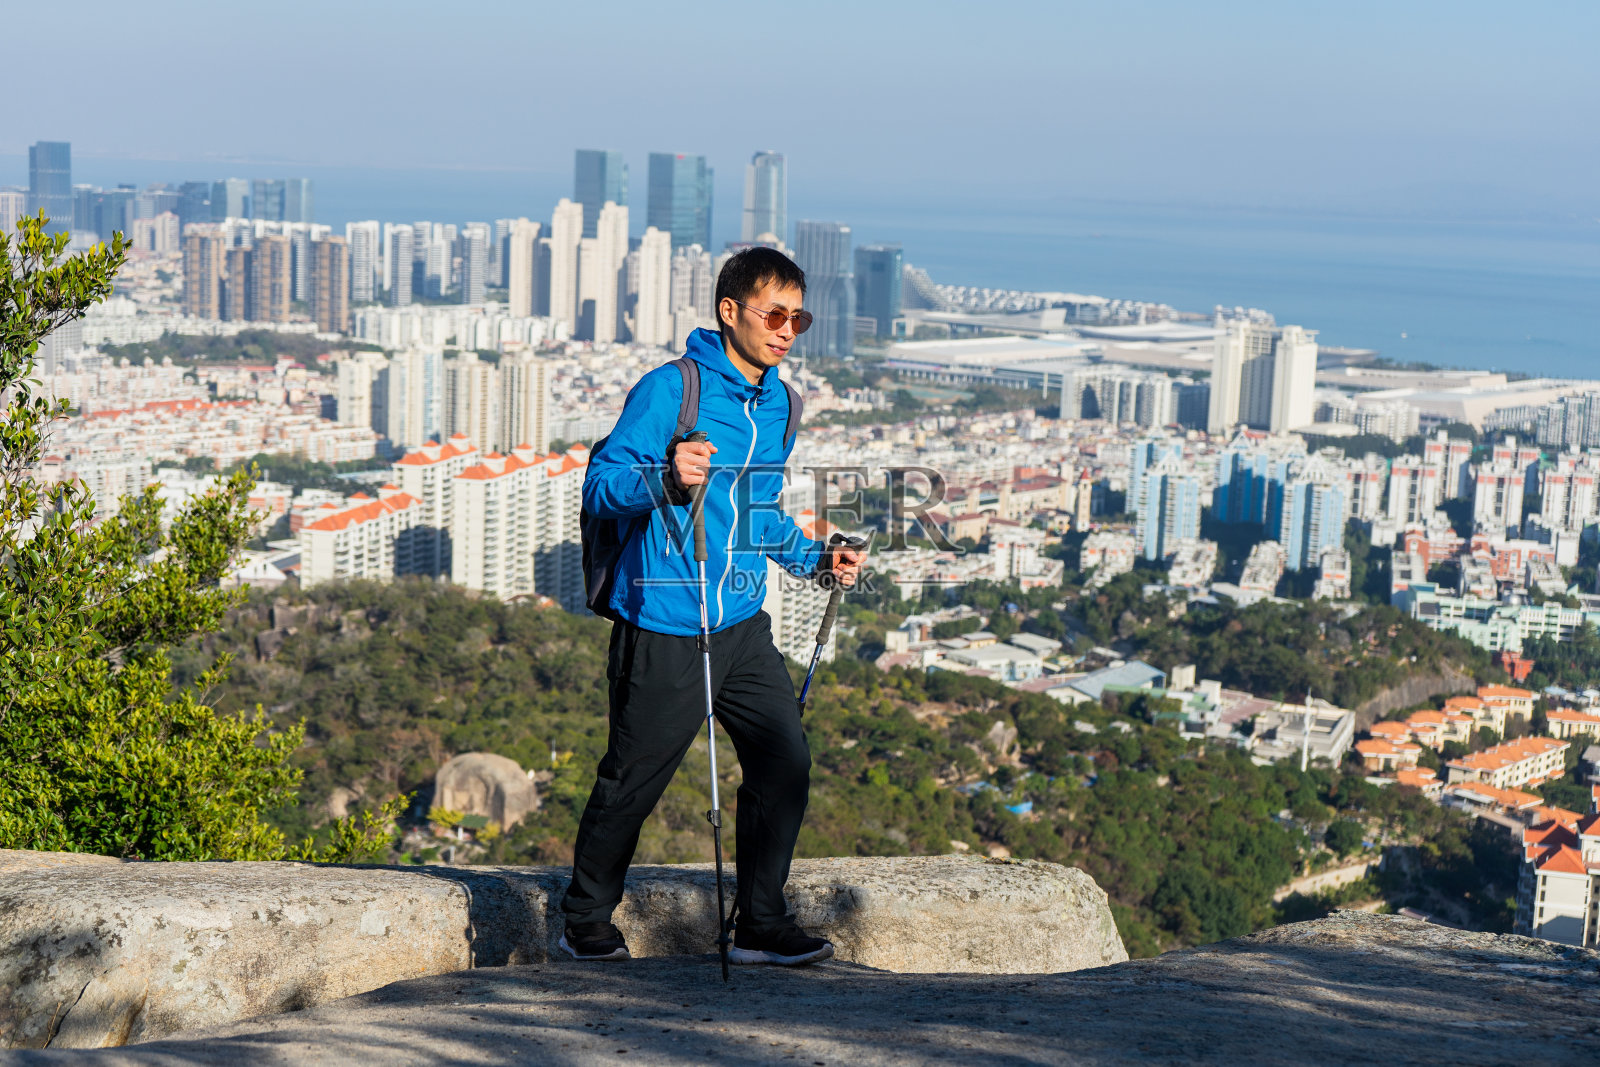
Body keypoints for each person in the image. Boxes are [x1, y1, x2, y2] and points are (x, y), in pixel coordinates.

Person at [560, 247, 865, 966]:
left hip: (740, 625)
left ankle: (760, 921)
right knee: (633, 781)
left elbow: (760, 514)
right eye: (774, 314)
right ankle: (583, 918)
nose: (788, 329)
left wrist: (818, 561)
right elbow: (600, 487)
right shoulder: (675, 389)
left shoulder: (781, 404)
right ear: (730, 311)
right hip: (666, 625)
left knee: (784, 760)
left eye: (799, 317)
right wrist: (665, 476)